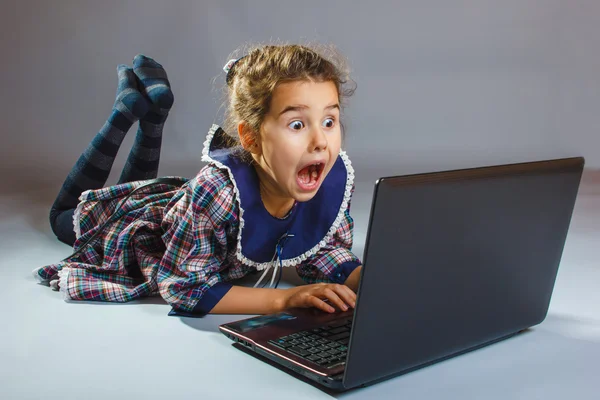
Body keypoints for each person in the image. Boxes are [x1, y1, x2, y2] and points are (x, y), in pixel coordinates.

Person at [33, 44, 363, 317]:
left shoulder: (329, 179)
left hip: (178, 206)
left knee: (130, 187)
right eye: (297, 124)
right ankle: (124, 113)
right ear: (250, 138)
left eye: (330, 120)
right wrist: (285, 300)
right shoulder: (217, 191)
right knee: (62, 215)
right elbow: (184, 286)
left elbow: (321, 249)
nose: (321, 141)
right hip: (133, 232)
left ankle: (152, 119)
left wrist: (374, 281)